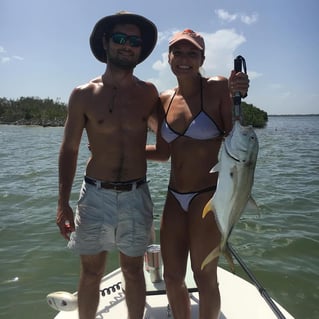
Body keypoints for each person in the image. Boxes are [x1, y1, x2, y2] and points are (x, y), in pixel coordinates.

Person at [56, 11, 164, 319]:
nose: (127, 46)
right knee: (91, 273)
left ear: (140, 50)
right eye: (120, 39)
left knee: (133, 271)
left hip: (136, 194)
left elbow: (170, 142)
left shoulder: (149, 93)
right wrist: (62, 202)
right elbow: (70, 148)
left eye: (134, 42)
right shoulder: (83, 94)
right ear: (106, 43)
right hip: (95, 195)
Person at [146, 29, 249, 319]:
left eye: (192, 53)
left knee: (204, 278)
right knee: (173, 278)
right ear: (169, 57)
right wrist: (121, 150)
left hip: (208, 197)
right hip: (173, 197)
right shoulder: (163, 99)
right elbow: (164, 153)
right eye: (178, 52)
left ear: (202, 58)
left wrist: (239, 93)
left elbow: (237, 133)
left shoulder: (216, 87)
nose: (184, 59)